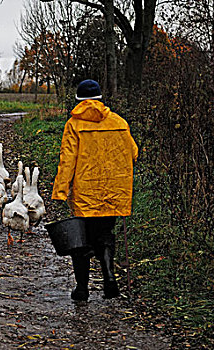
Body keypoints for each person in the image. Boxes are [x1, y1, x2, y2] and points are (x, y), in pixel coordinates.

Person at [51, 79, 138, 301]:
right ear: (100, 98)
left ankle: (82, 289)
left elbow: (67, 160)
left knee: (81, 240)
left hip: (85, 192)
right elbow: (133, 153)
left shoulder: (74, 125)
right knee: (106, 234)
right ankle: (110, 278)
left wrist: (60, 190)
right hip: (114, 191)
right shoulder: (119, 122)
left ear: (79, 100)